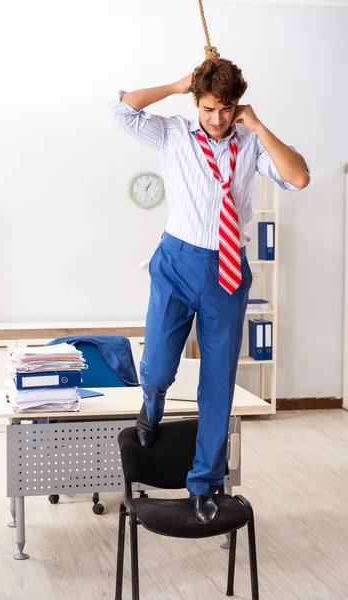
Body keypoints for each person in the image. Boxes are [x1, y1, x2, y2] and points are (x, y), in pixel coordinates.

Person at [109, 58, 309, 524]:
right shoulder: (173, 133)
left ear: (237, 105)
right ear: (196, 103)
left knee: (217, 385)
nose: (217, 118)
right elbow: (119, 109)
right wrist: (178, 84)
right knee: (157, 368)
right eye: (208, 108)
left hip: (226, 270)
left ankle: (204, 484)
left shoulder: (250, 143)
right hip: (177, 262)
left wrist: (257, 124)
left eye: (226, 109)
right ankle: (151, 404)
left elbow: (298, 177)